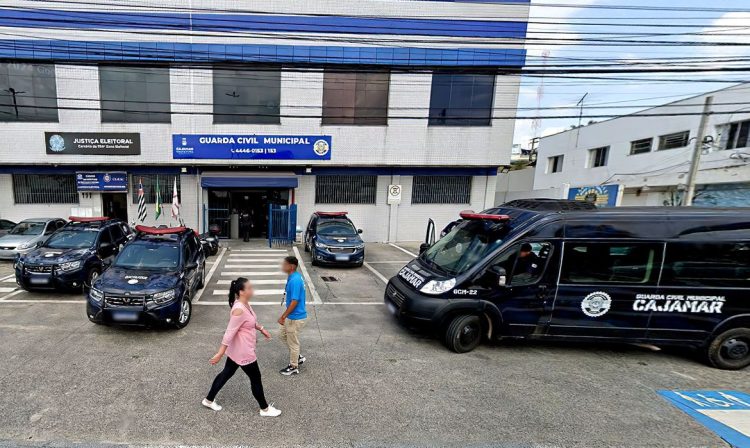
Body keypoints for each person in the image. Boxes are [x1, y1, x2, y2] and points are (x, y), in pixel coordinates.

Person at [203, 277, 281, 417]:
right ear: (241, 291)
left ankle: (208, 400)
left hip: (237, 350)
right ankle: (265, 409)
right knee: (255, 378)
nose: (252, 290)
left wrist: (261, 328)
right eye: (249, 288)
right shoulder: (239, 309)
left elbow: (249, 321)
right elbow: (229, 332)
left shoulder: (244, 304)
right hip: (244, 352)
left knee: (226, 373)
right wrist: (220, 353)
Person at [278, 256, 307, 376]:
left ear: (291, 266)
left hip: (295, 317)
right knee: (282, 335)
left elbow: (295, 301)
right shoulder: (293, 277)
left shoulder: (295, 280)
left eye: (284, 264)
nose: (282, 266)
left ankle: (294, 366)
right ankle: (297, 356)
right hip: (292, 316)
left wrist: (283, 316)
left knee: (293, 342)